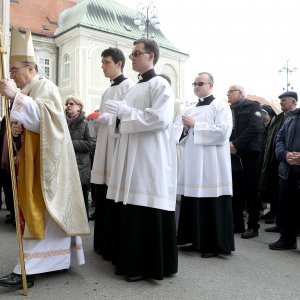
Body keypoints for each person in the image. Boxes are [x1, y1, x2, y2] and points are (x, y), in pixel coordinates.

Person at [0, 28, 89, 288]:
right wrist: (17, 128)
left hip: (47, 165)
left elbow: (48, 120)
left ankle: (26, 269)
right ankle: (54, 260)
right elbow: (32, 123)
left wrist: (15, 97)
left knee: (42, 212)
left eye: (14, 70)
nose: (12, 75)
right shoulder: (30, 88)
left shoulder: (45, 86)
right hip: (32, 161)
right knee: (40, 214)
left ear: (30, 67)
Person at [105, 38, 178, 281]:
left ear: (151, 57)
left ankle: (145, 265)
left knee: (144, 206)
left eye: (137, 53)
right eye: (132, 53)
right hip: (129, 155)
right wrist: (115, 118)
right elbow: (124, 122)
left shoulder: (161, 85)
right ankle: (129, 260)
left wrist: (127, 113)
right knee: (131, 208)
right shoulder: (134, 88)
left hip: (149, 157)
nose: (132, 57)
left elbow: (160, 119)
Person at [175, 72, 234, 258]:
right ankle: (194, 239)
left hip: (212, 164)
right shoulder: (190, 108)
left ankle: (212, 244)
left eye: (200, 83)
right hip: (193, 162)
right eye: (194, 83)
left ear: (211, 85)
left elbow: (223, 132)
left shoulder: (221, 107)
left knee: (211, 200)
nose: (196, 86)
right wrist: (185, 129)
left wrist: (196, 125)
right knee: (193, 200)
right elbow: (178, 136)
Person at [90, 47, 134, 260]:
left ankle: (114, 245)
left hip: (117, 148)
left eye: (106, 62)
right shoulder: (107, 91)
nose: (103, 66)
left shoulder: (129, 87)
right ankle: (102, 244)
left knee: (113, 194)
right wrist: (99, 121)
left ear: (119, 63)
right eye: (102, 62)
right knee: (102, 194)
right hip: (104, 147)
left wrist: (108, 120)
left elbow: (128, 119)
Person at [228, 84, 263, 238]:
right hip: (234, 154)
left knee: (251, 191)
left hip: (250, 153)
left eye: (230, 92)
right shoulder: (229, 109)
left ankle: (253, 226)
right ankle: (238, 224)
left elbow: (255, 127)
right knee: (236, 190)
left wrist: (236, 144)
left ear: (240, 93)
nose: (227, 94)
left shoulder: (253, 105)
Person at [260, 91, 298, 233]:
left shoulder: (296, 117)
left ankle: (290, 229)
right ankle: (280, 224)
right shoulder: (279, 118)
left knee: (291, 200)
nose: (281, 102)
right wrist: (282, 154)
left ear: (294, 102)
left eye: (284, 100)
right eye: (280, 100)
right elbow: (277, 140)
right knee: (278, 195)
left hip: (293, 164)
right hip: (277, 160)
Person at [269, 96, 300, 250]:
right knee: (287, 207)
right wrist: (285, 155)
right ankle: (288, 239)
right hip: (287, 171)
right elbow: (278, 140)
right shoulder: (290, 118)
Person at [65, 96, 96, 220]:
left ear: (79, 107)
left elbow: (92, 144)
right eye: (67, 104)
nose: (68, 106)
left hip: (80, 166)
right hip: (65, 165)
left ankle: (82, 222)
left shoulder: (86, 123)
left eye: (71, 104)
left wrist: (70, 143)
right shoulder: (62, 122)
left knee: (81, 197)